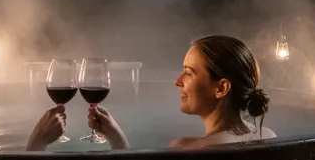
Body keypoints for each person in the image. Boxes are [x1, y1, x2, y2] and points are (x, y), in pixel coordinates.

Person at [87, 34, 274, 149]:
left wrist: (116, 140)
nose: (177, 81)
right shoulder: (267, 137)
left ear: (221, 88)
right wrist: (115, 134)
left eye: (188, 73)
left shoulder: (187, 149)